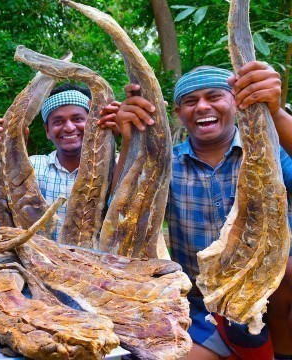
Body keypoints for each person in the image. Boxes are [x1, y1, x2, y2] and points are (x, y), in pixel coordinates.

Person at [102, 62, 292, 359]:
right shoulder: (167, 165)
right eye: (190, 101)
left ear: (236, 102)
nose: (202, 106)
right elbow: (121, 216)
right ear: (179, 114)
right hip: (201, 309)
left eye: (214, 96)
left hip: (274, 300)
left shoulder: (268, 150)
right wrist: (132, 140)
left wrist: (276, 112)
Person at [29, 84, 94, 240]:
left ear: (92, 123)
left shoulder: (114, 165)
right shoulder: (32, 168)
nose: (69, 127)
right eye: (58, 122)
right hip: (43, 263)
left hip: (98, 264)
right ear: (47, 131)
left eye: (77, 119)